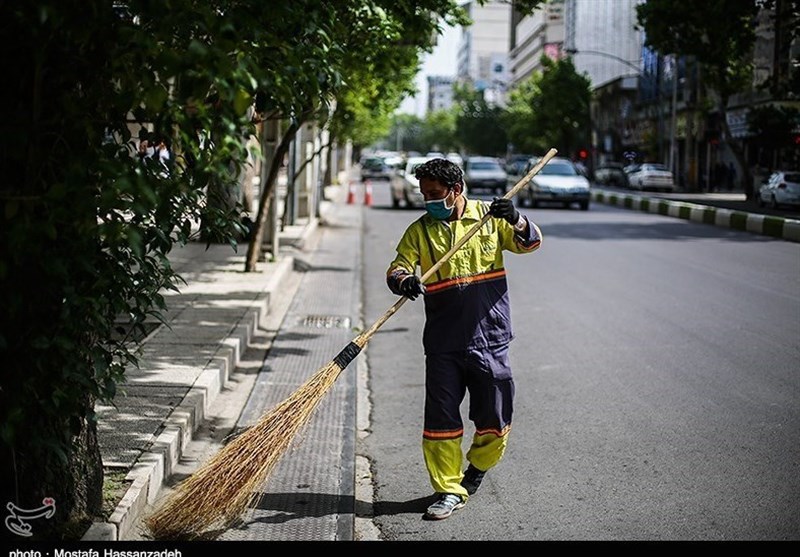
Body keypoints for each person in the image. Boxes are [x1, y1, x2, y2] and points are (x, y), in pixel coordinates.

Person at [385, 158, 543, 520]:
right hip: (443, 342)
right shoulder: (420, 232)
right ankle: (448, 489)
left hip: (491, 337)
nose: (428, 201)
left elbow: (530, 243)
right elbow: (398, 267)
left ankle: (478, 467)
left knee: (495, 414)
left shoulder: (490, 218)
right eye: (425, 195)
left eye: (435, 194)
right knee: (440, 419)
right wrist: (403, 281)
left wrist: (515, 219)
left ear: (456, 190)